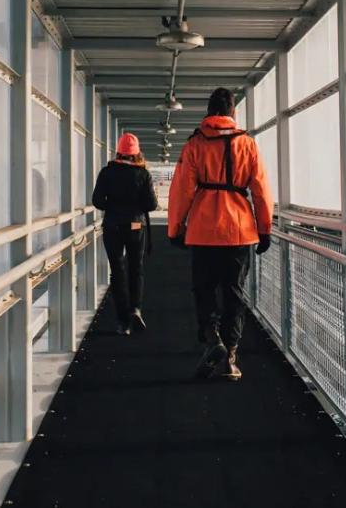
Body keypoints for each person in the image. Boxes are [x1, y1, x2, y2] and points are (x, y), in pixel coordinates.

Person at [167, 87, 273, 380]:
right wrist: (264, 229)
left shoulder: (194, 145)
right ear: (232, 112)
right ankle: (231, 355)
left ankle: (212, 339)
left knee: (203, 289)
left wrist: (175, 228)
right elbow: (261, 191)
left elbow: (181, 191)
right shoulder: (247, 144)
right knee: (234, 293)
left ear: (209, 111)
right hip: (239, 231)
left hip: (203, 230)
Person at [92, 132, 160, 335]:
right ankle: (135, 309)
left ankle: (123, 322)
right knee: (135, 268)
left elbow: (97, 201)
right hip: (135, 227)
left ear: (118, 152)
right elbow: (152, 204)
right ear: (136, 153)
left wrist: (112, 205)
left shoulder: (107, 172)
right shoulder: (143, 174)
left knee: (117, 271)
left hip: (112, 226)